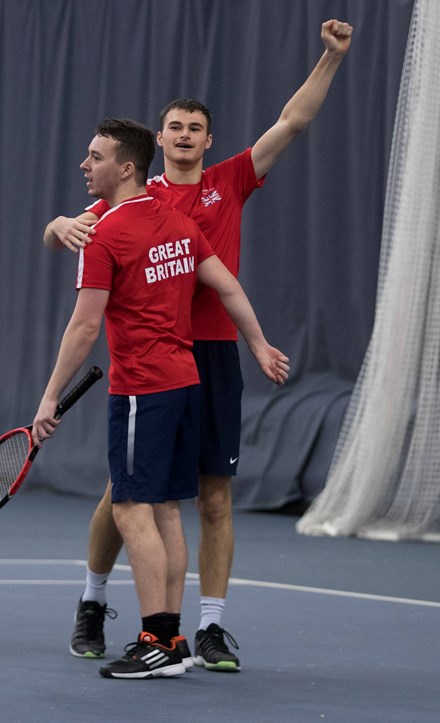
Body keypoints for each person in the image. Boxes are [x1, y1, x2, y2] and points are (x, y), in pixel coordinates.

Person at [45, 19, 353, 672]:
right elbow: (67, 234)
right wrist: (57, 223)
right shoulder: (139, 196)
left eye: (195, 127)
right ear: (160, 140)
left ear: (208, 140)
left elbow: (292, 122)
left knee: (205, 498)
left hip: (207, 359)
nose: (184, 135)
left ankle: (200, 628)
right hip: (154, 356)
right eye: (175, 127)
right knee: (124, 494)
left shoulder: (232, 180)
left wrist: (329, 59)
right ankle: (96, 600)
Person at [33, 118, 288, 680]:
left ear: (126, 168)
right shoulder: (175, 222)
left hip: (141, 387)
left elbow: (82, 328)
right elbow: (226, 285)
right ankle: (171, 640)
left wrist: (49, 397)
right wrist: (260, 343)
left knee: (129, 508)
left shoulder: (105, 236)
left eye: (94, 156)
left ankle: (153, 639)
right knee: (169, 508)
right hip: (184, 381)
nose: (84, 165)